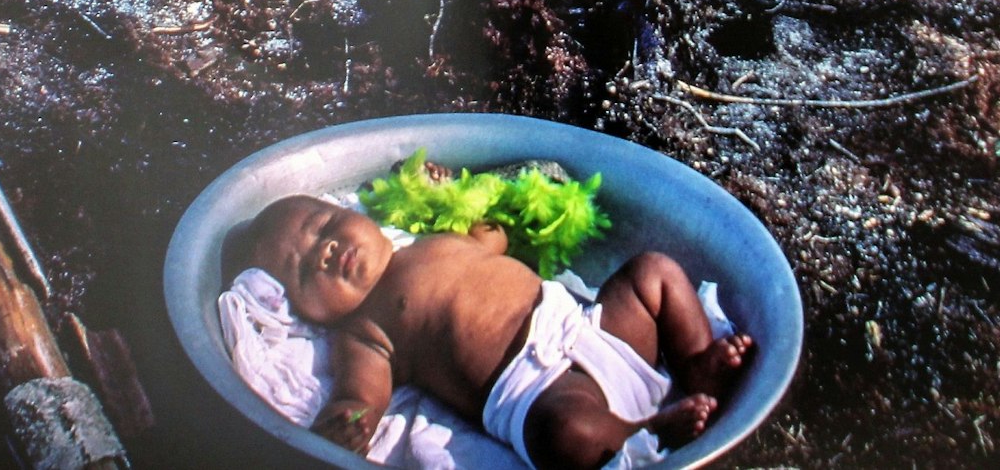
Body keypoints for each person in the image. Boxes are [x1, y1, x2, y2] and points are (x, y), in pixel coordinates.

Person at [237, 194, 754, 470]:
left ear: (352, 213)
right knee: (567, 436)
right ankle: (643, 435)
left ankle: (694, 362)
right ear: (306, 312)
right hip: (539, 390)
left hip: (587, 327)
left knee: (652, 272)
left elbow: (491, 240)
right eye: (303, 269)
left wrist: (468, 209)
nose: (327, 251)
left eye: (326, 227)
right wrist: (347, 424)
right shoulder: (363, 331)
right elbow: (360, 396)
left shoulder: (425, 242)